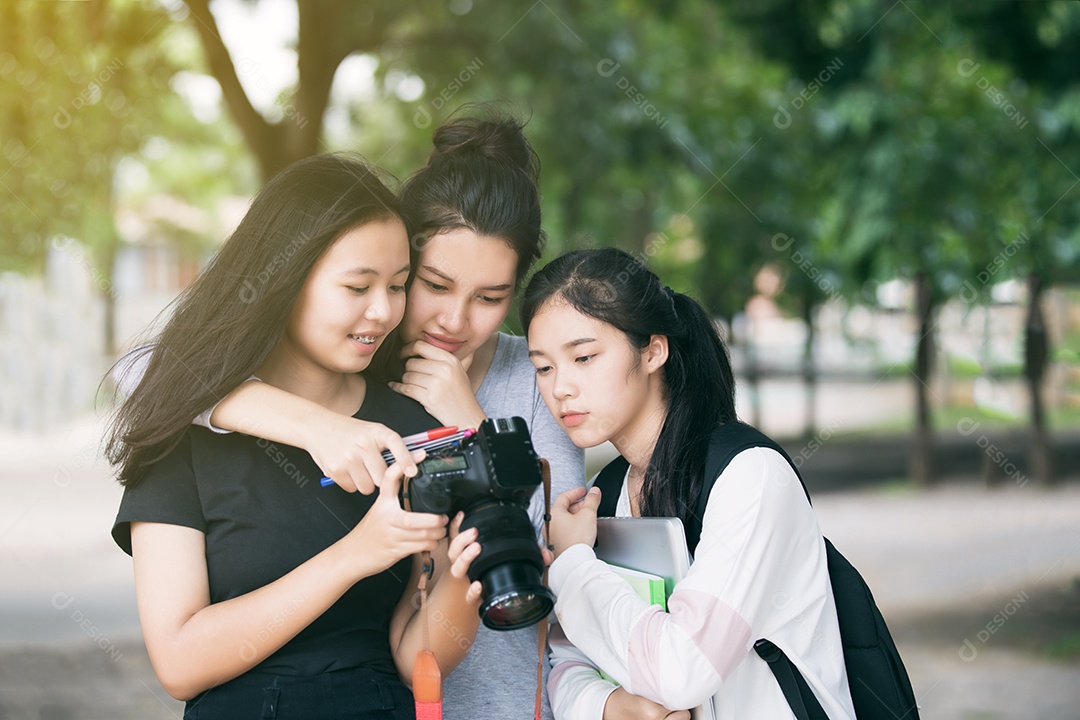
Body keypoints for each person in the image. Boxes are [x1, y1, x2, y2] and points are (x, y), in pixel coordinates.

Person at [171, 111, 585, 719]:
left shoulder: (536, 378)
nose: (454, 320)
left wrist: (472, 429)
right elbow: (153, 375)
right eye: (434, 285)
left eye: (490, 298)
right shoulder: (354, 358)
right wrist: (316, 426)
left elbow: (562, 563)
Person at [106, 153, 483, 719]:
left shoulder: (410, 433)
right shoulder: (186, 434)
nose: (382, 311)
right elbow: (180, 664)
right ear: (285, 280)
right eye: (357, 286)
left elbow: (417, 659)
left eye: (399, 285)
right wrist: (356, 554)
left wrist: (465, 562)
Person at [521, 248, 857, 720]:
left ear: (653, 350)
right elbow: (567, 656)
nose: (560, 388)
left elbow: (685, 670)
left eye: (584, 357)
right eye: (544, 366)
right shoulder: (606, 491)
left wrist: (573, 562)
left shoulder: (750, 476)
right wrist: (611, 705)